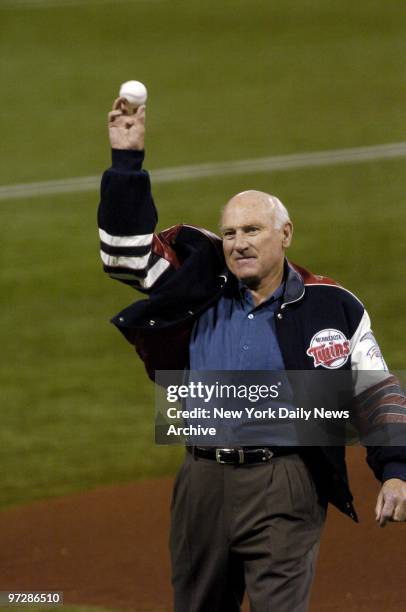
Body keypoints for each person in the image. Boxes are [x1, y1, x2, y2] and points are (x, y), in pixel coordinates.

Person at [98, 100, 406, 612]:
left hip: (285, 483)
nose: (238, 243)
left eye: (253, 230)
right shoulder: (197, 287)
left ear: (285, 234)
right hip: (201, 482)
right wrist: (126, 159)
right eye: (229, 233)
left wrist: (395, 468)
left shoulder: (331, 305)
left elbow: (374, 388)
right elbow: (123, 253)